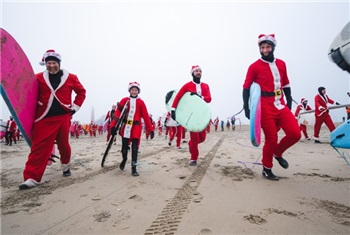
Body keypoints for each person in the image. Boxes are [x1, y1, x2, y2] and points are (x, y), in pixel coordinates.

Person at [19, 49, 86, 189]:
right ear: (45, 64)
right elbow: (27, 93)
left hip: (63, 117)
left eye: (54, 63)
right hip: (44, 118)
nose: (51, 65)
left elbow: (81, 92)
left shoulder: (71, 77)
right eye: (48, 63)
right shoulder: (37, 78)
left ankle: (65, 166)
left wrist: (75, 107)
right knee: (38, 147)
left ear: (59, 63)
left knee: (63, 145)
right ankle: (32, 177)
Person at [242, 34, 301, 181]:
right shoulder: (254, 66)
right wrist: (247, 108)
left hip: (280, 103)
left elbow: (286, 83)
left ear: (273, 47)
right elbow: (246, 88)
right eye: (262, 47)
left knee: (295, 134)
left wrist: (288, 101)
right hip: (264, 106)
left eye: (268, 47)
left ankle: (277, 152)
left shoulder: (281, 64)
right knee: (271, 138)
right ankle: (267, 169)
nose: (265, 50)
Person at [170, 65, 212, 166]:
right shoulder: (187, 86)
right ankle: (193, 158)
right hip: (191, 116)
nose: (198, 73)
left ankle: (190, 144)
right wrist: (173, 109)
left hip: (202, 115)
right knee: (194, 138)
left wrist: (200, 97)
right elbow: (178, 97)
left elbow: (209, 98)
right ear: (192, 73)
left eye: (200, 71)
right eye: (196, 71)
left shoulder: (205, 86)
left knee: (202, 138)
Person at [111, 82, 154, 176]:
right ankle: (124, 159)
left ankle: (134, 168)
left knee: (135, 148)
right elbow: (118, 113)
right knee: (124, 148)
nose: (134, 92)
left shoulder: (141, 102)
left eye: (136, 90)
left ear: (138, 91)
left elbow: (146, 117)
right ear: (129, 90)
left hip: (136, 127)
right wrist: (113, 126)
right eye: (132, 90)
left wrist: (150, 129)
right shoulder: (124, 100)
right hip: (126, 126)